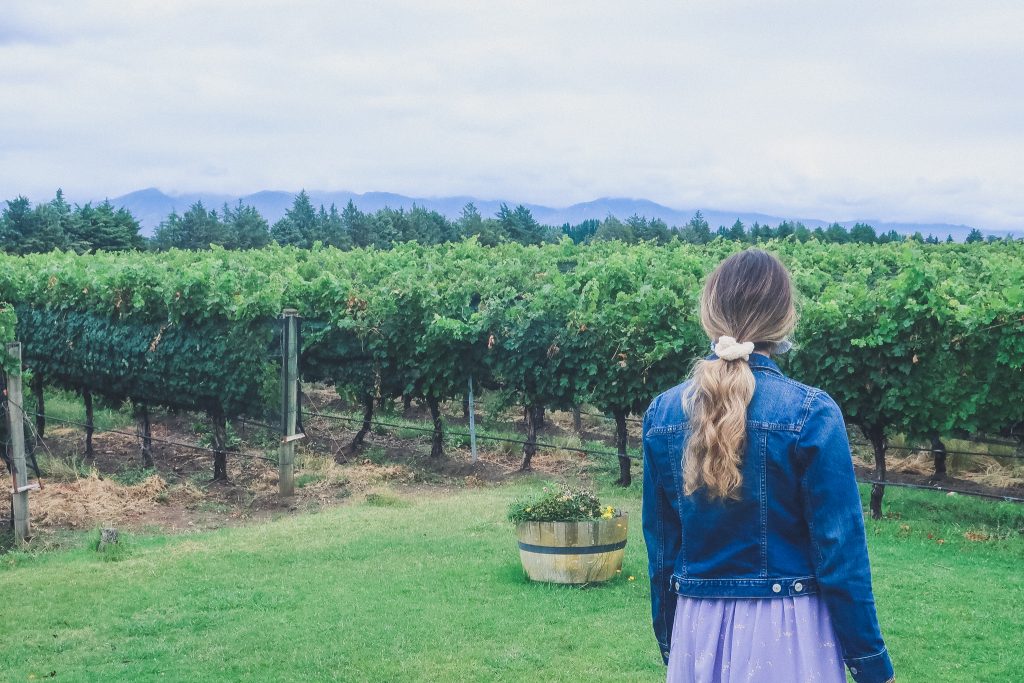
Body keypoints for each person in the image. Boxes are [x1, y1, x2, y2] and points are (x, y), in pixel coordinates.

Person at [641, 249, 895, 683]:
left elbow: (663, 553)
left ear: (710, 315)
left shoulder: (663, 414)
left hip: (698, 629)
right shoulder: (811, 413)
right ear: (785, 319)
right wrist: (871, 664)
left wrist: (673, 640)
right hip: (789, 633)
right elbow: (840, 555)